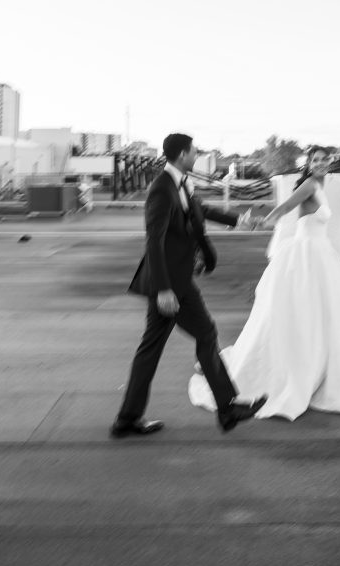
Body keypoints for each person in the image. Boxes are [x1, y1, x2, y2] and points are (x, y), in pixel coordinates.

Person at [189, 148, 340, 420]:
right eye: (316, 160)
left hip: (322, 252)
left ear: (330, 162)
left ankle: (323, 364)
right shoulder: (309, 184)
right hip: (306, 254)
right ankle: (303, 367)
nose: (322, 163)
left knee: (333, 310)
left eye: (325, 159)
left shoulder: (323, 185)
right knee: (310, 311)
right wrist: (260, 222)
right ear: (309, 165)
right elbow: (286, 207)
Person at [111, 133, 267, 438]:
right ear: (183, 154)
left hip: (174, 279)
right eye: (194, 150)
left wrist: (240, 220)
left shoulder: (181, 183)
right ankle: (228, 408)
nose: (197, 154)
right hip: (172, 283)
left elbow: (202, 211)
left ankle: (127, 419)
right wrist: (164, 289)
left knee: (150, 350)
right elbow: (153, 241)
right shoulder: (162, 190)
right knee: (206, 333)